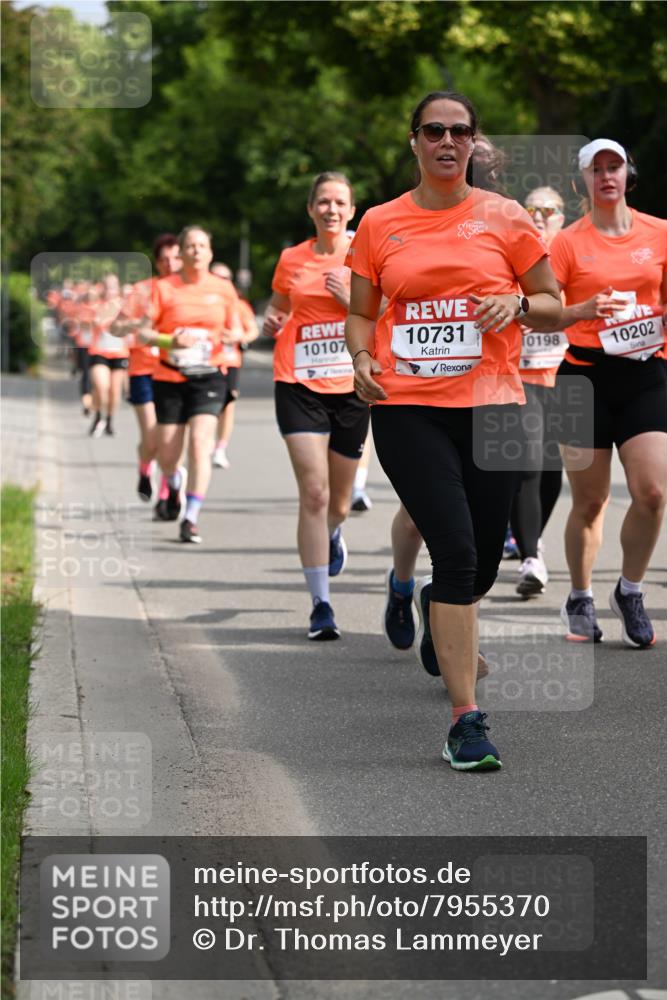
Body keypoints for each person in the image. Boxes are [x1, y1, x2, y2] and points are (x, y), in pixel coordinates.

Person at [346, 91, 561, 770]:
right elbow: (360, 313)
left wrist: (519, 302)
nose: (447, 140)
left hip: (493, 402)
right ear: (413, 141)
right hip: (408, 407)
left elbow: (554, 306)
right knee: (457, 552)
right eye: (434, 130)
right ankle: (466, 721)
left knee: (483, 566)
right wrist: (358, 357)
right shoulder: (380, 224)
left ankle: (444, 613)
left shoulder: (504, 218)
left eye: (459, 131)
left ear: (473, 143)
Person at [549, 138, 667, 647]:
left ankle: (630, 590)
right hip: (583, 376)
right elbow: (542, 311)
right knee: (592, 500)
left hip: (645, 373)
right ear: (583, 182)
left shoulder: (660, 233)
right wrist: (582, 311)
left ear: (628, 173)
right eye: (595, 169)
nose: (605, 176)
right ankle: (579, 594)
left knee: (653, 493)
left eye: (613, 166)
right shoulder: (567, 242)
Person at [263, 172, 369, 640]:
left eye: (339, 202)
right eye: (322, 201)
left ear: (351, 210)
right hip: (297, 381)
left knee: (340, 504)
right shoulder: (292, 258)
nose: (330, 209)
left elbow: (389, 314)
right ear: (311, 209)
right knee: (315, 492)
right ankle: (321, 604)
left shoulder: (367, 253)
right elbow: (280, 303)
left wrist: (353, 302)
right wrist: (272, 319)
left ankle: (331, 534)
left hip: (351, 385)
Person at [142, 226, 242, 543]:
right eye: (190, 246)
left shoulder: (224, 289)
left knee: (201, 444)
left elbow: (238, 328)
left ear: (210, 253)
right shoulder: (163, 288)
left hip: (209, 376)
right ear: (180, 253)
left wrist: (234, 336)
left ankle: (191, 516)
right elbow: (143, 332)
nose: (196, 251)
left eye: (202, 245)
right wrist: (169, 339)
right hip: (169, 376)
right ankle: (172, 481)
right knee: (168, 455)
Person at [510, 186, 567, 596]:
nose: (541, 214)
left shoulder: (574, 254)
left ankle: (531, 536)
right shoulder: (514, 257)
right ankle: (531, 557)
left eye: (551, 209)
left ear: (562, 217)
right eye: (533, 208)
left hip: (565, 377)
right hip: (521, 376)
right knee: (528, 465)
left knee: (552, 472)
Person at [112, 234, 182, 502]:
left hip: (176, 370)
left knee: (171, 438)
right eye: (164, 259)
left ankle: (166, 493)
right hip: (145, 370)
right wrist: (137, 324)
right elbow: (115, 327)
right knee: (152, 437)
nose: (170, 264)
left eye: (175, 258)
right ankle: (144, 469)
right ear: (156, 262)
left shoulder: (187, 292)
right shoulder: (142, 290)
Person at [209, 262, 259, 470]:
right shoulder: (201, 301)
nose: (221, 282)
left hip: (229, 361)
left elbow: (252, 331)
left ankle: (220, 448)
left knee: (227, 405)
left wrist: (239, 336)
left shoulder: (239, 304)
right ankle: (204, 443)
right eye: (216, 277)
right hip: (204, 361)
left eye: (225, 278)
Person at [87, 274, 128, 437]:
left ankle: (109, 421)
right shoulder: (96, 305)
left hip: (119, 353)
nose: (110, 290)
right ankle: (98, 417)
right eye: (107, 286)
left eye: (113, 286)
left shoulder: (125, 306)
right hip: (99, 351)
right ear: (102, 288)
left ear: (118, 288)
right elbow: (91, 322)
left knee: (114, 392)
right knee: (101, 387)